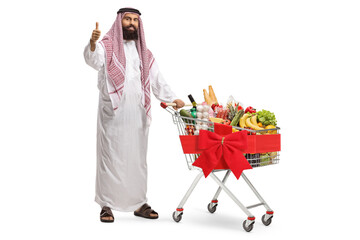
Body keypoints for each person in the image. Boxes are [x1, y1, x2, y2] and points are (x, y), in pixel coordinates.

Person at [84, 7, 185, 222]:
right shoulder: (107, 46)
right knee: (110, 158)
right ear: (119, 22)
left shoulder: (145, 52)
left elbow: (157, 80)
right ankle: (106, 204)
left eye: (135, 20)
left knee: (138, 160)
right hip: (114, 114)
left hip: (138, 114)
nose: (131, 23)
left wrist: (172, 97)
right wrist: (92, 44)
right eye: (127, 19)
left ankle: (139, 203)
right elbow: (94, 61)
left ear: (140, 25)